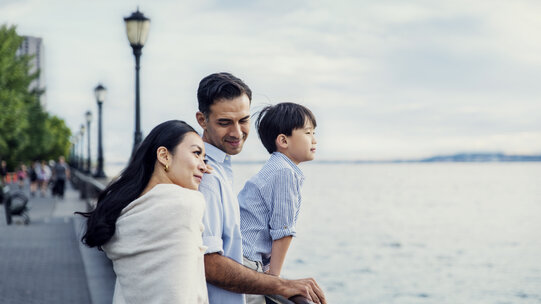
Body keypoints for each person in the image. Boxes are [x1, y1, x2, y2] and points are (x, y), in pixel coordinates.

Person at [195, 72, 326, 304]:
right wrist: (278, 282)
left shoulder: (220, 166)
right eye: (225, 122)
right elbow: (210, 263)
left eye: (243, 120)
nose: (237, 133)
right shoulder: (205, 174)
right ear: (202, 120)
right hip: (237, 278)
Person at [77, 120, 209, 304]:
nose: (204, 166)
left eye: (205, 159)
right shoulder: (185, 204)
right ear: (164, 155)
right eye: (196, 153)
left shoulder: (127, 211)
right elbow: (179, 295)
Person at [238, 102, 317, 304]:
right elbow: (283, 230)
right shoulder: (284, 172)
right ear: (283, 140)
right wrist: (274, 281)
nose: (314, 140)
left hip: (242, 258)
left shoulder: (276, 167)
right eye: (308, 132)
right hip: (247, 263)